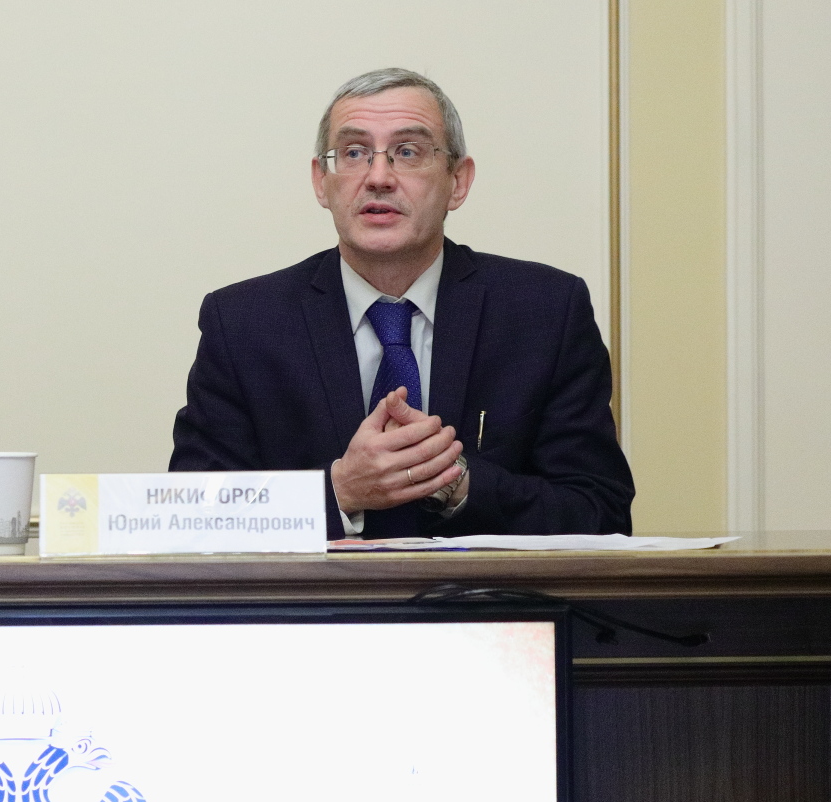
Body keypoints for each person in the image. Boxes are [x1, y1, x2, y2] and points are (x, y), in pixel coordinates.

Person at [170, 68, 633, 539]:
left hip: (484, 590)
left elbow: (601, 514)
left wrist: (453, 481)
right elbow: (193, 521)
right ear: (321, 181)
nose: (378, 178)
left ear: (458, 181)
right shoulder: (244, 322)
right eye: (354, 153)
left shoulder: (545, 312)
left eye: (408, 152)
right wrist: (339, 491)